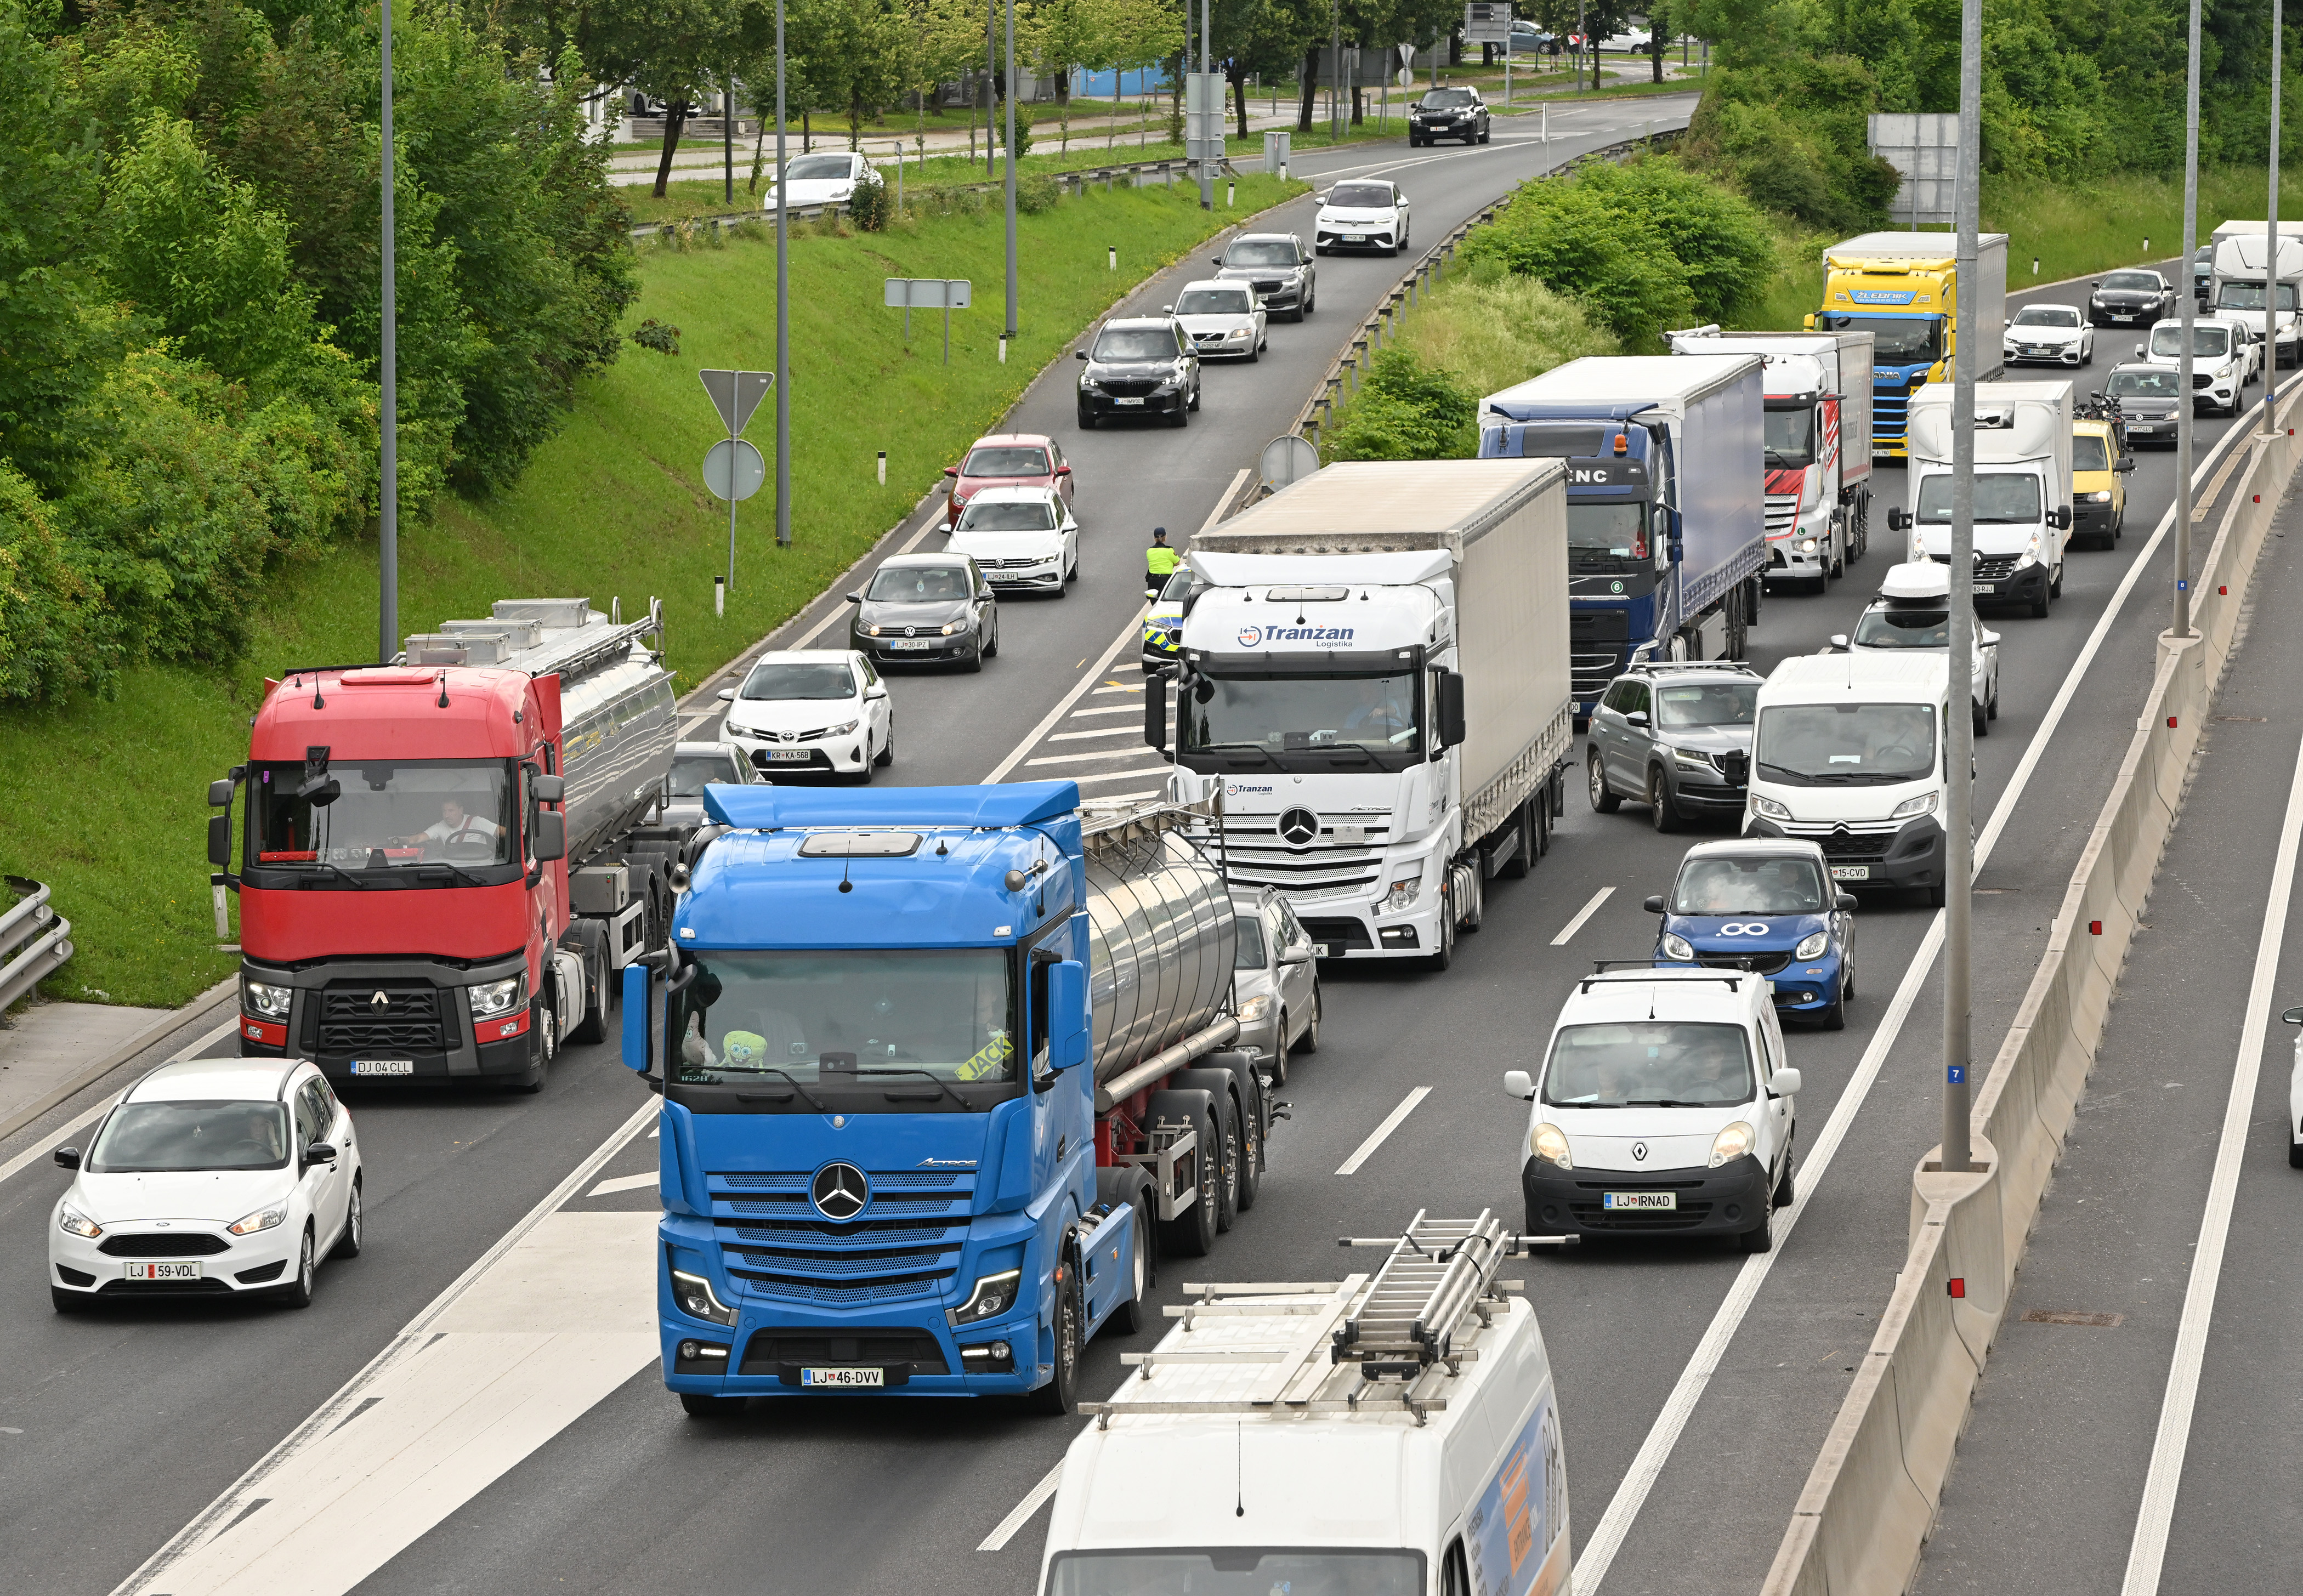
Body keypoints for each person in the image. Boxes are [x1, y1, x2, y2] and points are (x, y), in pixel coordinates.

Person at [416, 797, 504, 852]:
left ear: (461, 810)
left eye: (451, 811)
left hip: (482, 865)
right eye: (444, 811)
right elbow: (420, 838)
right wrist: (403, 841)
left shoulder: (476, 822)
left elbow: (504, 832)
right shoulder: (440, 826)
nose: (447, 815)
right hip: (453, 867)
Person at [1144, 526, 1180, 594]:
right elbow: (1177, 563)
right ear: (1165, 537)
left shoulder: (1149, 551)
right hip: (1165, 581)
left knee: (1155, 602)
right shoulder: (1169, 551)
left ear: (1154, 538)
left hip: (1152, 581)